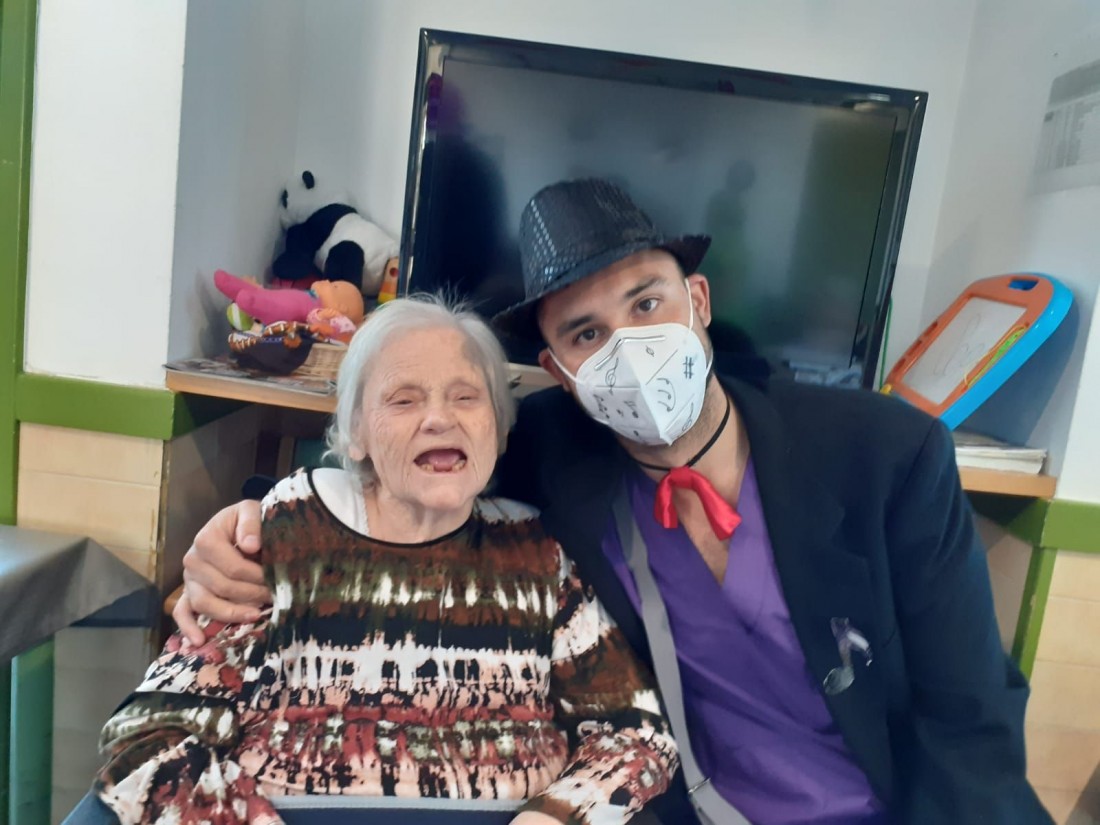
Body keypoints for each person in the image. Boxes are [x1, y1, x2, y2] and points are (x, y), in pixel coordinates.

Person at [179, 179, 1053, 824]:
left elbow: (971, 724)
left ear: (697, 302)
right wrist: (245, 526)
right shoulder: (545, 450)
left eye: (646, 302)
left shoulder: (885, 456)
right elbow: (404, 472)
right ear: (559, 370)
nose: (629, 348)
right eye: (588, 332)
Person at [76, 295, 678, 825]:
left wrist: (557, 815)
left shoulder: (535, 552)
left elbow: (636, 732)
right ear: (356, 433)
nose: (439, 418)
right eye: (403, 399)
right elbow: (151, 736)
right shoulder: (283, 536)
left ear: (497, 430)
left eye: (466, 397)